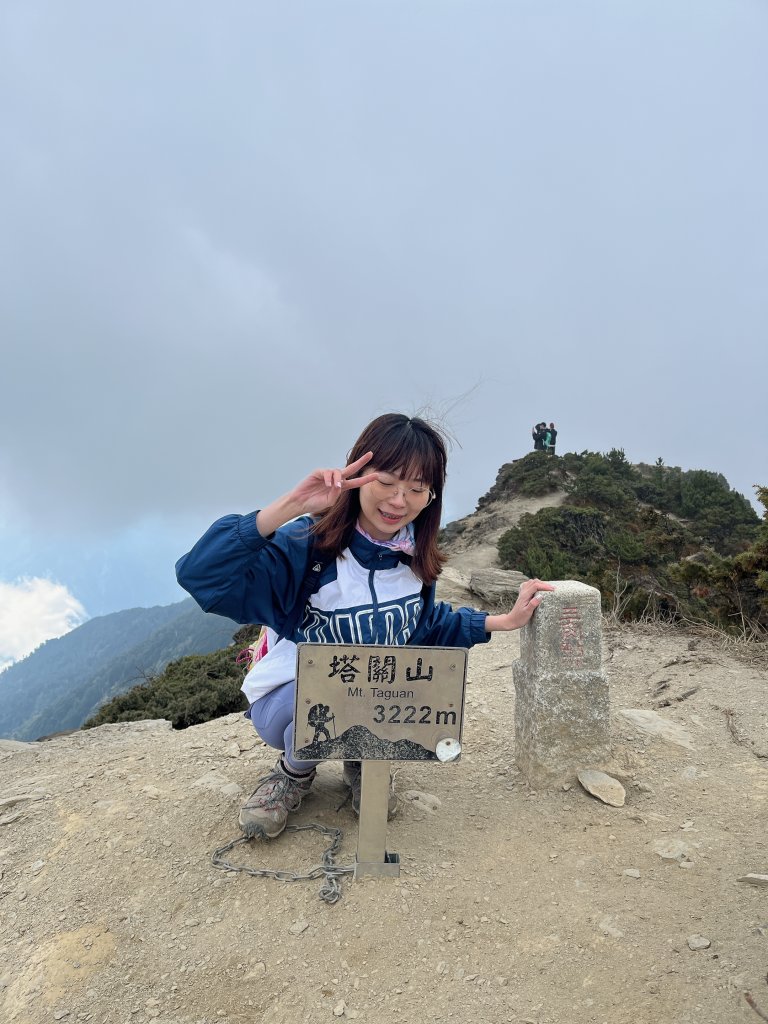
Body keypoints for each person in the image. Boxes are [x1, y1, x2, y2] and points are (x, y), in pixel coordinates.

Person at [176, 413, 554, 840]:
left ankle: (362, 758)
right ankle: (293, 773)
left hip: (368, 699)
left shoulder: (414, 561)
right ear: (358, 475)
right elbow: (201, 575)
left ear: (432, 495)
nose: (399, 501)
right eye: (387, 482)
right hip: (291, 696)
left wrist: (503, 621)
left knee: (396, 684)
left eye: (416, 489)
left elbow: (424, 624)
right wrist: (291, 506)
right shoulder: (308, 546)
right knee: (330, 688)